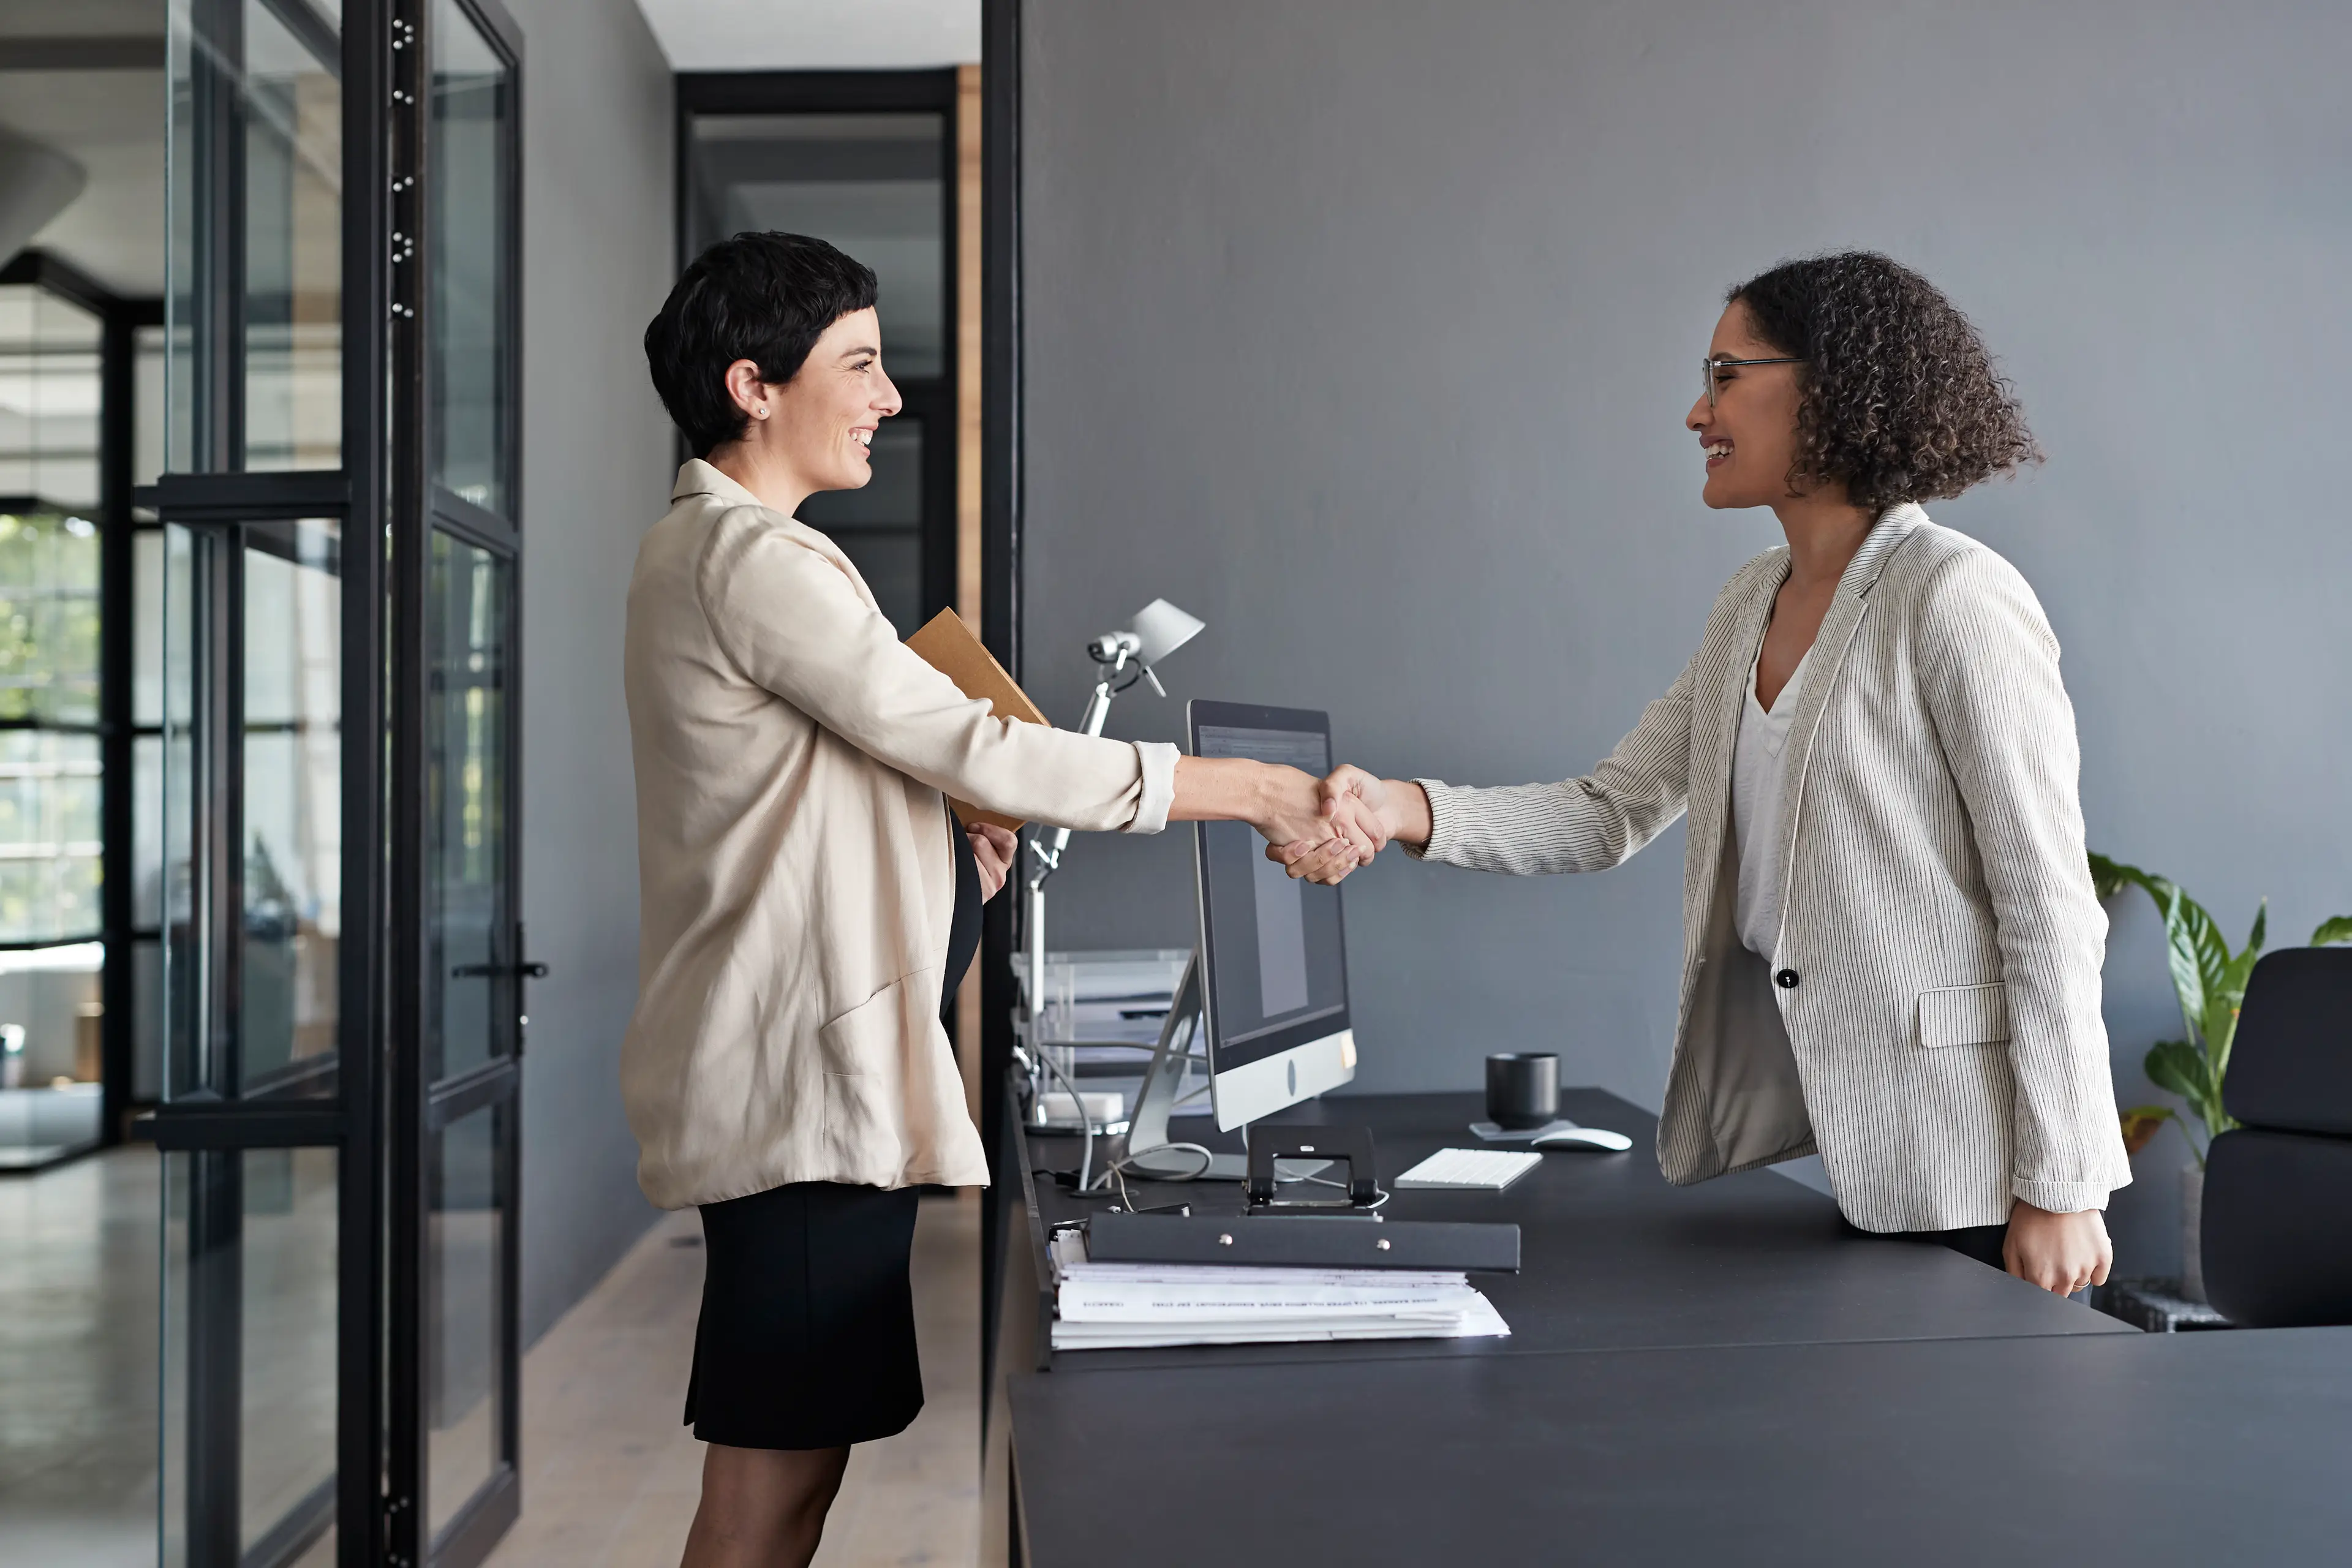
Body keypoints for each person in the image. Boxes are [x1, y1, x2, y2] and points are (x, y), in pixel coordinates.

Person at [627, 232, 1368, 1568]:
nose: (887, 394)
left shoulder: (726, 555)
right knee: (764, 1496)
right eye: (856, 363)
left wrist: (945, 857)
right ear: (754, 385)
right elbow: (977, 743)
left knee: (785, 1485)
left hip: (806, 1089)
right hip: (802, 1104)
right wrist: (1250, 789)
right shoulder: (753, 562)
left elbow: (817, 802)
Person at [1283, 251, 2129, 1297]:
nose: (1698, 410)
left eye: (1727, 375)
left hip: (1982, 1184)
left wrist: (2064, 1184)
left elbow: (2049, 908)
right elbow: (1609, 810)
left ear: (1830, 387)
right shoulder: (1749, 604)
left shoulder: (1954, 598)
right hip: (1856, 1154)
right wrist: (1400, 809)